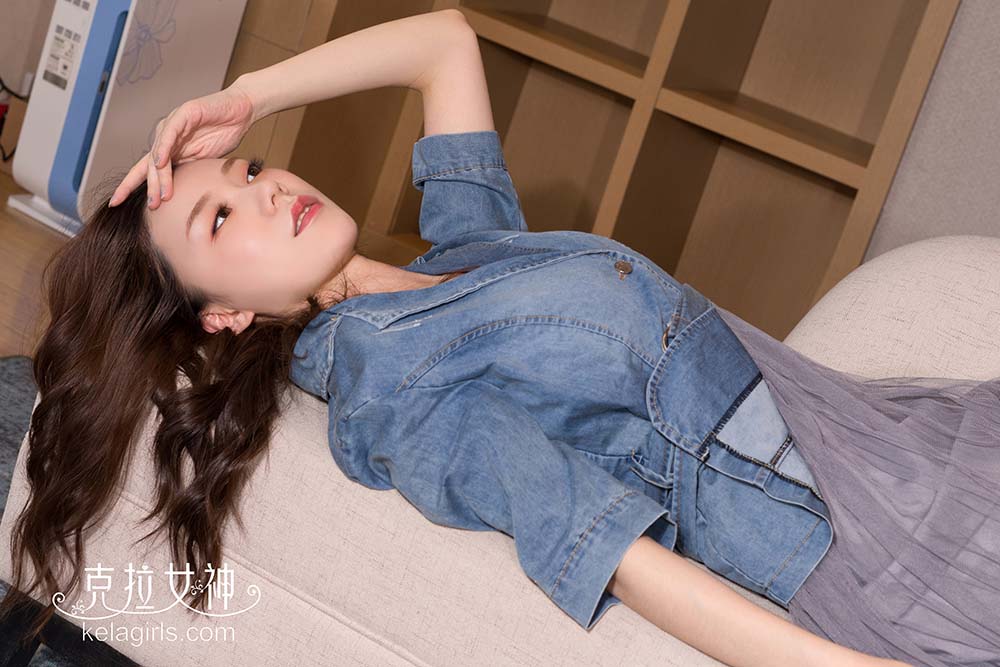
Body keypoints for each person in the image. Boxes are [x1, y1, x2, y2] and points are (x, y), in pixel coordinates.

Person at [3, 9, 996, 666]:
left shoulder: (460, 255)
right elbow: (611, 550)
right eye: (221, 219)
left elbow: (444, 42)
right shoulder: (393, 384)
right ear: (222, 314)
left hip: (892, 438)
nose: (268, 190)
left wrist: (250, 95)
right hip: (882, 537)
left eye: (251, 170)